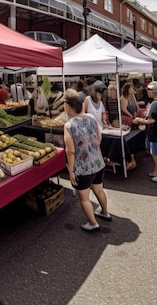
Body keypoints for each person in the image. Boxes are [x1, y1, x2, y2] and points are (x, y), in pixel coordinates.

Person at [63, 89, 110, 232]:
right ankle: (105, 212)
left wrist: (71, 170)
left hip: (82, 168)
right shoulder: (91, 117)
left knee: (84, 197)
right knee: (99, 189)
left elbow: (70, 151)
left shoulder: (69, 125)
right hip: (98, 162)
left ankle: (92, 223)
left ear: (69, 106)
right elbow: (99, 138)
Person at [134, 82, 157, 182]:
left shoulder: (156, 103)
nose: (148, 93)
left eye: (149, 91)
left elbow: (151, 120)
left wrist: (140, 120)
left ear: (154, 92)